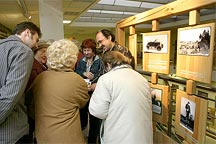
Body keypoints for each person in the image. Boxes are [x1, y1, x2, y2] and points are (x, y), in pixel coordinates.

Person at [26, 39, 89, 143]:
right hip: (68, 137)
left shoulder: (40, 78)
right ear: (72, 58)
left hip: (43, 136)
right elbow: (82, 103)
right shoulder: (76, 80)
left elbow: (30, 104)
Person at [89, 51, 153, 144]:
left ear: (108, 65)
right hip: (142, 135)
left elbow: (98, 112)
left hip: (118, 135)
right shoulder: (141, 78)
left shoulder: (106, 79)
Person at [0, 21, 41, 143]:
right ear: (27, 33)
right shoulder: (23, 51)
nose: (37, 45)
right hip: (11, 131)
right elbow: (10, 94)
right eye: (36, 40)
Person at [75, 38, 103, 144]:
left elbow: (102, 75)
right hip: (83, 92)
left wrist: (94, 82)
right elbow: (76, 71)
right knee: (82, 116)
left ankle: (92, 140)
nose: (86, 53)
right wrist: (83, 73)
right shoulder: (81, 61)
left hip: (95, 93)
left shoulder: (99, 61)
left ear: (93, 50)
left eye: (89, 50)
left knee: (94, 118)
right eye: (85, 50)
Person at [24, 40, 50, 143]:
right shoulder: (33, 68)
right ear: (35, 52)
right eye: (42, 51)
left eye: (47, 52)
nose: (45, 55)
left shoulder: (42, 66)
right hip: (33, 110)